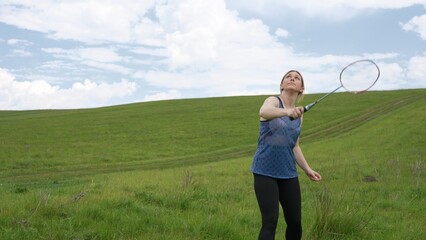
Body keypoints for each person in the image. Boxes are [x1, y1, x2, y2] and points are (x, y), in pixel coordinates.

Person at [251, 70, 322, 240]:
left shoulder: (300, 115)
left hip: (288, 173)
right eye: (288, 77)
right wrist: (287, 112)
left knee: (295, 222)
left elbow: (294, 145)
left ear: (301, 89)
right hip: (264, 171)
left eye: (297, 78)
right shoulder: (274, 101)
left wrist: (307, 169)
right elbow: (264, 112)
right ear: (282, 85)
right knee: (270, 222)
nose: (292, 78)